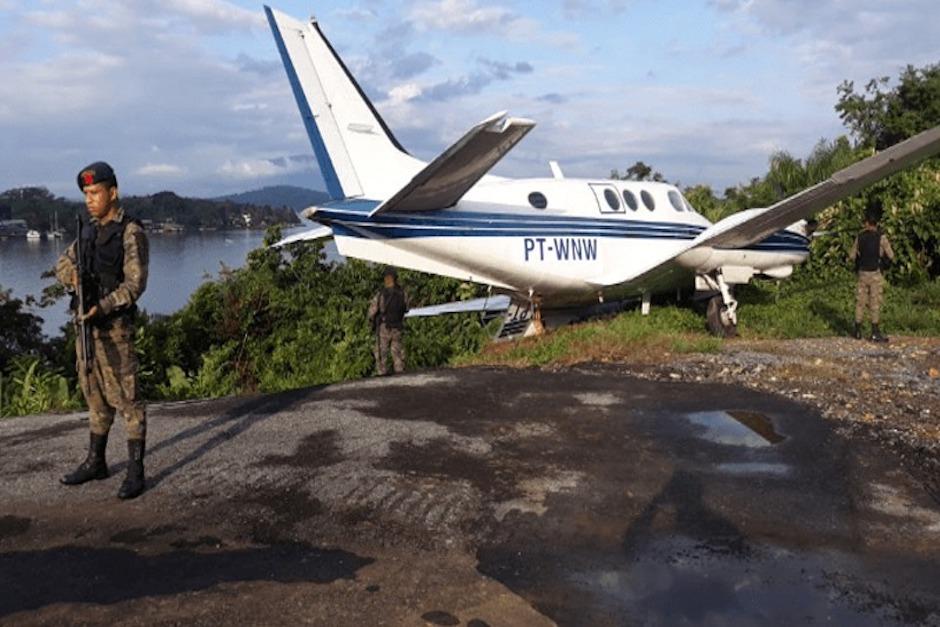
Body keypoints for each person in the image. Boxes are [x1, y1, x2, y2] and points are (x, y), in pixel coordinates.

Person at [56, 162, 150, 499]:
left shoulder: (130, 232)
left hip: (115, 328)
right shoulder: (87, 232)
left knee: (128, 399)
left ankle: (136, 471)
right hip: (86, 327)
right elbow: (62, 264)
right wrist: (73, 277)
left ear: (113, 192)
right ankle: (96, 461)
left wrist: (105, 306)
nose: (89, 199)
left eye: (95, 192)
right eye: (86, 194)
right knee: (93, 394)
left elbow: (135, 284)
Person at [850, 201, 894, 343]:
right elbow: (891, 255)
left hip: (862, 273)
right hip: (875, 273)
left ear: (867, 223)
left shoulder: (860, 237)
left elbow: (852, 256)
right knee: (874, 303)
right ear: (876, 223)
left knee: (860, 302)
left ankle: (857, 331)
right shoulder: (881, 237)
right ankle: (875, 333)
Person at [368, 267, 409, 375]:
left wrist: (371, 322)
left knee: (382, 355)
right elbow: (406, 308)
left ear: (387, 278)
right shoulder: (403, 293)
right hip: (398, 327)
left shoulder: (381, 294)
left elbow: (372, 311)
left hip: (384, 328)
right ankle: (400, 375)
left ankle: (382, 376)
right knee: (398, 354)